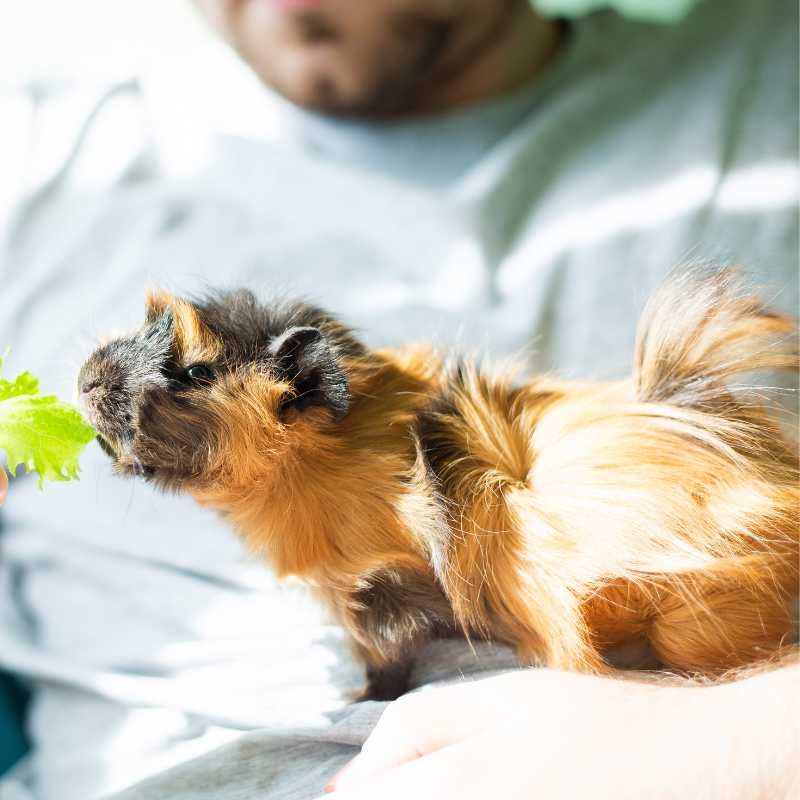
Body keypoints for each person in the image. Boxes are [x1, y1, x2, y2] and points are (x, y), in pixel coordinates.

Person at [0, 0, 796, 798]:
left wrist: (729, 743)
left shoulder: (773, 78)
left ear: (299, 398)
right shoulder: (30, 153)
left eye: (192, 374)